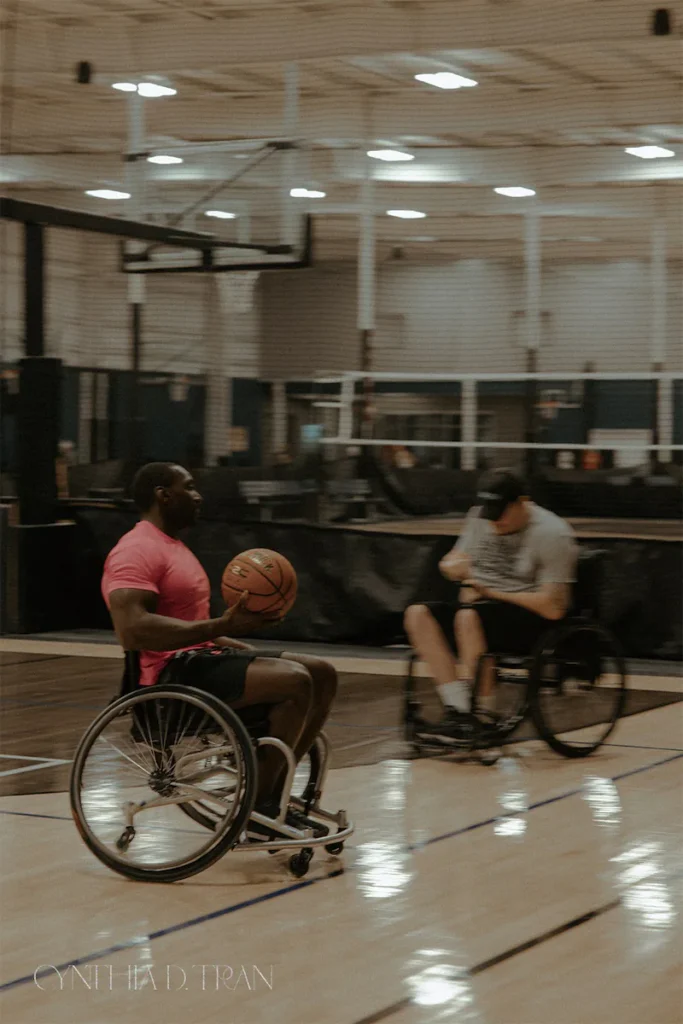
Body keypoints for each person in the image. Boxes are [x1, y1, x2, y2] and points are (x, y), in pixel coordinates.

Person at [101, 461, 337, 829]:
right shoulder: (136, 550)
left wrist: (233, 638)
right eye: (189, 487)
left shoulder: (173, 547)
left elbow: (195, 627)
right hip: (171, 679)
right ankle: (258, 806)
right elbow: (133, 629)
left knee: (321, 673)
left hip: (201, 660)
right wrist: (224, 623)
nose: (198, 496)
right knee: (295, 681)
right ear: (164, 495)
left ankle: (271, 789)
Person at [403, 469, 577, 744]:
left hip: (528, 616)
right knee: (418, 614)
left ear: (522, 502)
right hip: (478, 606)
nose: (495, 522)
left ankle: (482, 715)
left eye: (501, 513)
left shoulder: (553, 534)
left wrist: (490, 592)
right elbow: (453, 559)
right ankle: (459, 710)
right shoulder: (480, 517)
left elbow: (553, 608)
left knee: (468, 618)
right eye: (490, 514)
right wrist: (451, 567)